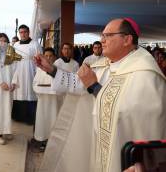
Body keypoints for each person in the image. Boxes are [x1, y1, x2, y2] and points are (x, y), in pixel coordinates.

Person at [34, 18, 166, 172]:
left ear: (127, 39)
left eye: (108, 35)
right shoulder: (104, 65)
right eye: (102, 35)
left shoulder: (145, 73)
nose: (102, 40)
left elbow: (130, 113)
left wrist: (94, 86)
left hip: (122, 150)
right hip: (100, 143)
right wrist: (51, 70)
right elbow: (78, 84)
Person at [11, 24, 42, 125]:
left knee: (30, 92)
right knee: (18, 92)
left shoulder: (35, 44)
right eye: (21, 32)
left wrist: (38, 72)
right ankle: (18, 117)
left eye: (25, 32)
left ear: (28, 32)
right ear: (19, 33)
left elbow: (40, 59)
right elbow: (12, 59)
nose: (23, 34)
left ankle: (30, 118)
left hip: (30, 70)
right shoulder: (16, 45)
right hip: (18, 70)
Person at [31, 47, 61, 152]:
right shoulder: (39, 69)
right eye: (46, 56)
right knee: (42, 120)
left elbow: (60, 85)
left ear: (54, 57)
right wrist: (40, 89)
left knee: (53, 120)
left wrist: (51, 88)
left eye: (50, 56)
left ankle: (52, 141)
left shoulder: (57, 69)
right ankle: (42, 140)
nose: (48, 58)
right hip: (43, 101)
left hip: (53, 102)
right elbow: (35, 84)